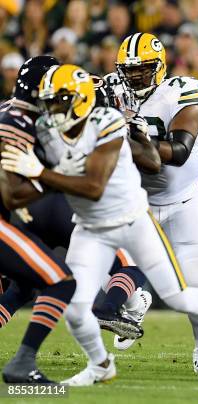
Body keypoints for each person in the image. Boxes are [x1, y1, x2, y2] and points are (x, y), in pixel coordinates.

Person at [0, 64, 198, 385]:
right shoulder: (48, 132)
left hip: (131, 221)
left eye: (60, 102)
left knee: (179, 295)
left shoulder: (106, 122)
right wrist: (26, 183)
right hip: (90, 227)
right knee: (77, 311)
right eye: (50, 101)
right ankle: (101, 366)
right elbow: (31, 189)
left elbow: (94, 184)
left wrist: (40, 173)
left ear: (81, 101)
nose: (52, 110)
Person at [112, 32, 198, 374]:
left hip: (182, 200)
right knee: (102, 262)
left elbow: (177, 153)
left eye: (142, 69)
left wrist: (132, 136)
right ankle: (136, 302)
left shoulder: (181, 91)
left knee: (196, 282)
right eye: (128, 70)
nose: (134, 77)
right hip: (135, 200)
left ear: (160, 67)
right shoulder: (110, 91)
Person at [0, 55, 77, 384]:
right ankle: (22, 365)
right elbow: (12, 193)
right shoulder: (18, 121)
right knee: (60, 280)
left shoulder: (6, 109)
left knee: (14, 283)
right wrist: (53, 176)